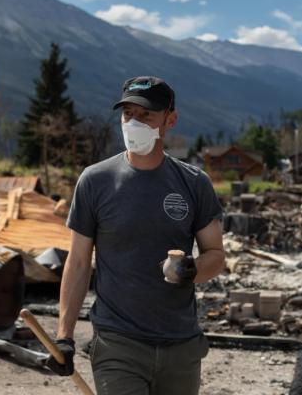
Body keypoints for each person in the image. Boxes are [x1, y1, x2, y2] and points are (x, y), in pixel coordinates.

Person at [46, 76, 225, 395]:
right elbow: (77, 262)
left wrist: (192, 270)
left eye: (146, 115)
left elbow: (215, 255)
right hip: (118, 344)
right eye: (128, 113)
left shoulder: (194, 183)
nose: (134, 122)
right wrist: (64, 337)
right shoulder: (95, 181)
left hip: (181, 345)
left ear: (170, 120)